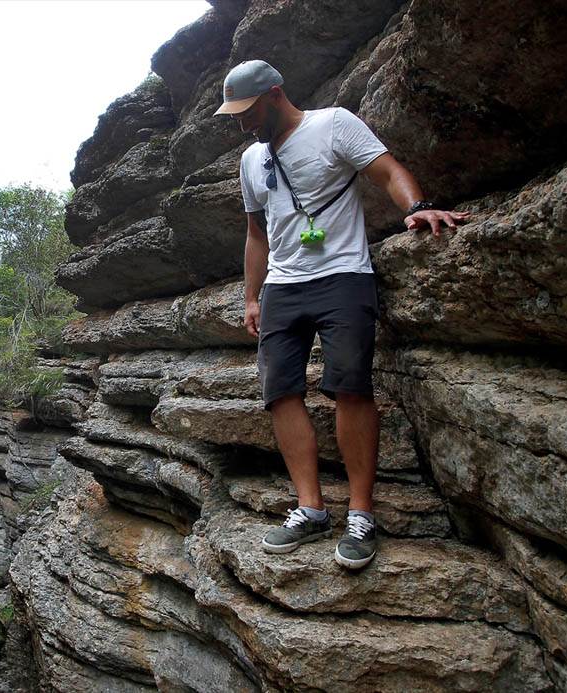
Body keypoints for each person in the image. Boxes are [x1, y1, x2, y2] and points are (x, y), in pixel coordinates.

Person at [215, 60, 469, 570]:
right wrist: (251, 296)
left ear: (274, 93)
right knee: (279, 390)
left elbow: (387, 170)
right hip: (284, 286)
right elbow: (256, 234)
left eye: (246, 111)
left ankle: (360, 514)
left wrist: (416, 205)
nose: (240, 122)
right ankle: (310, 508)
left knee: (351, 387)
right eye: (234, 114)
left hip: (343, 275)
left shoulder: (333, 123)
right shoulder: (250, 159)